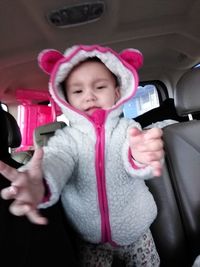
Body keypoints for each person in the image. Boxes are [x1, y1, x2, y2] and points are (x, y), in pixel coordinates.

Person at [0, 45, 164, 266]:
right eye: (77, 91)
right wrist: (38, 182)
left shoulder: (128, 129)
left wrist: (141, 155)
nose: (89, 96)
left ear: (117, 93)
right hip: (90, 239)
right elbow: (56, 161)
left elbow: (134, 153)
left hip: (137, 230)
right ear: (65, 99)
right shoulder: (67, 140)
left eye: (100, 86)